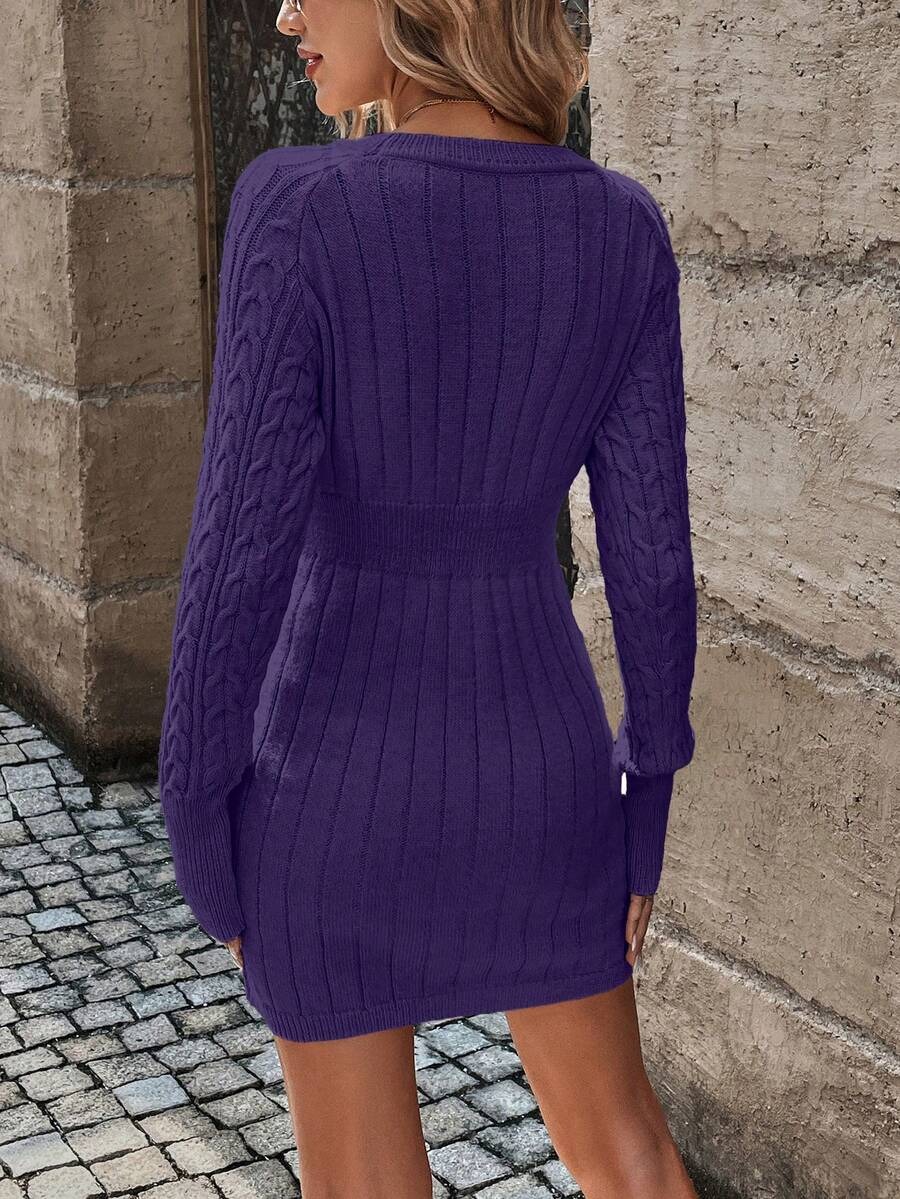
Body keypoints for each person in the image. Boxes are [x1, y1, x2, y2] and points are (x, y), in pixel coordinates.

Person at [156, 1, 700, 1195]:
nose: (286, 12)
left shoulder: (299, 208)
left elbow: (236, 557)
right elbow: (653, 560)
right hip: (544, 777)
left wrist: (197, 811)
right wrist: (646, 796)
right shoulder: (620, 229)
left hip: (326, 784)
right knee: (631, 1156)